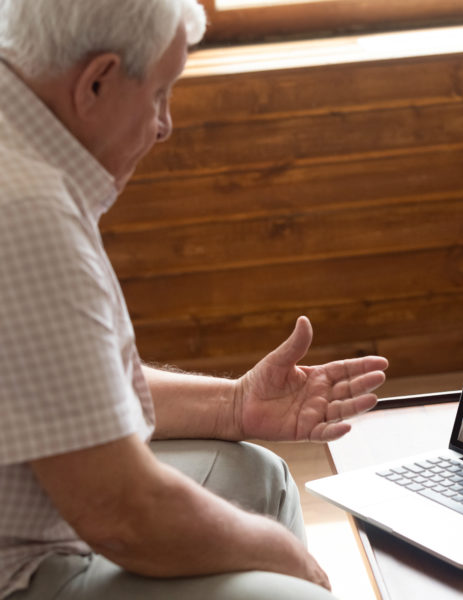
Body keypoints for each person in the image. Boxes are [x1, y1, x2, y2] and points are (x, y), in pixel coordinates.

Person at [0, 1, 389, 599]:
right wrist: (287, 558)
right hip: (21, 571)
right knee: (295, 587)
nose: (164, 124)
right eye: (159, 93)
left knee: (257, 478)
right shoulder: (27, 213)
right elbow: (122, 514)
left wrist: (234, 405)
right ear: (96, 80)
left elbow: (59, 384)